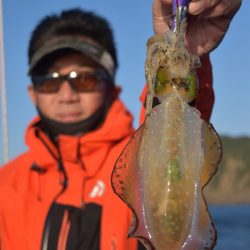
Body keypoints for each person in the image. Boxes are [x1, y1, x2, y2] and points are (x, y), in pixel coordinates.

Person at [0, 1, 241, 249]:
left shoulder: (141, 154)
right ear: (32, 92)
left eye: (83, 79)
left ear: (111, 86)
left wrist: (186, 51)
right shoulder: (5, 187)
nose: (66, 94)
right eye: (50, 81)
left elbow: (178, 114)